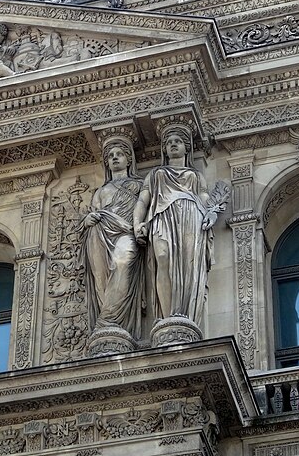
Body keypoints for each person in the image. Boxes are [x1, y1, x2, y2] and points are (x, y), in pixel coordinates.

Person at [133, 127, 214, 325]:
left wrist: (210, 213)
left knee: (188, 264)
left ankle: (183, 312)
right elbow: (143, 202)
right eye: (168, 143)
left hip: (190, 217)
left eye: (177, 141)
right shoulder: (155, 174)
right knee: (162, 258)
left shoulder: (195, 175)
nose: (173, 145)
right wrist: (137, 224)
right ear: (164, 150)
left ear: (186, 147)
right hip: (162, 217)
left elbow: (204, 197)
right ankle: (168, 315)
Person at [81, 137, 144, 338]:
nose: (115, 158)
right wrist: (88, 220)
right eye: (110, 156)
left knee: (123, 260)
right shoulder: (101, 191)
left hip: (127, 232)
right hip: (99, 234)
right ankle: (106, 315)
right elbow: (94, 212)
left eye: (120, 154)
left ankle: (110, 319)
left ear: (129, 160)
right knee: (101, 278)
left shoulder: (140, 185)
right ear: (106, 163)